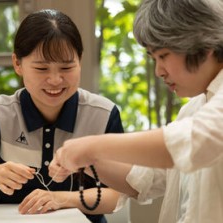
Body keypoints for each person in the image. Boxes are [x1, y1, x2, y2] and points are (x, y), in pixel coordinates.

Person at [49, 0, 223, 222]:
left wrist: (90, 147)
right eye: (153, 59)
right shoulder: (193, 109)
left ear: (203, 45)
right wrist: (86, 161)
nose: (159, 71)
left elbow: (189, 141)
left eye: (163, 56)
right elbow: (147, 179)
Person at [0, 9, 123, 223]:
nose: (55, 79)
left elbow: (116, 196)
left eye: (66, 67)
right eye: (42, 68)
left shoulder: (104, 115)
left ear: (80, 61)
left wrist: (61, 199)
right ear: (18, 64)